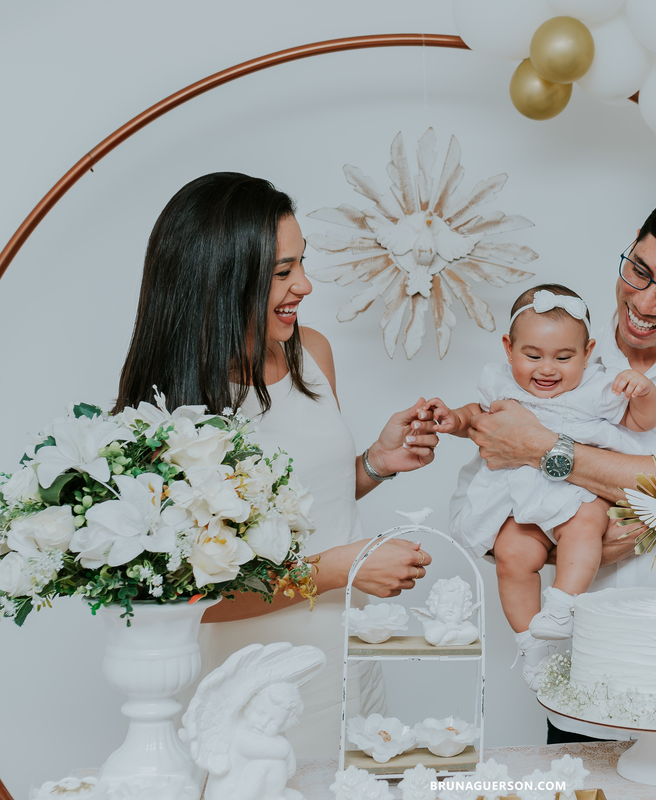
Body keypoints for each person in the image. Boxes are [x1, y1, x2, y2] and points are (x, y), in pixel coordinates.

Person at [115, 172, 440, 756]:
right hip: (254, 684)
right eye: (282, 273)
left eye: (301, 264)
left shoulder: (311, 352)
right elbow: (194, 602)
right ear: (221, 282)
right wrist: (342, 568)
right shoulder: (171, 418)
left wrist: (373, 463)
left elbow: (301, 506)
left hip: (351, 650)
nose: (305, 286)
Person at [462, 193, 656, 742]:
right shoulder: (561, 345)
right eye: (639, 271)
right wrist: (566, 533)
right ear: (631, 247)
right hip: (590, 666)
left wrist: (539, 447)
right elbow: (489, 479)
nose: (647, 304)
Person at [422, 284, 656, 690]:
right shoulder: (501, 384)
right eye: (532, 356)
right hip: (517, 494)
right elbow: (479, 416)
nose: (547, 369)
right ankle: (529, 642)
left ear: (587, 353)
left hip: (576, 490)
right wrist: (454, 420)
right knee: (513, 553)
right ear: (508, 349)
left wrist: (644, 392)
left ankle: (563, 603)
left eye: (564, 357)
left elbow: (642, 423)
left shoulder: (599, 388)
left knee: (585, 526)